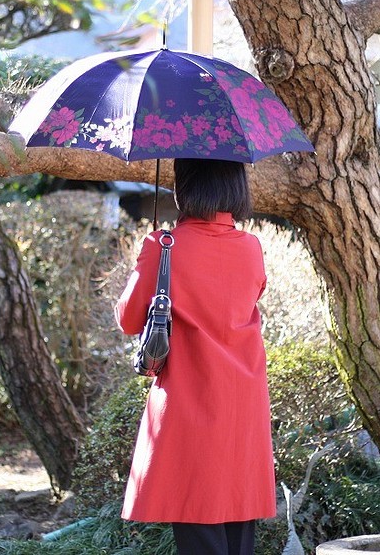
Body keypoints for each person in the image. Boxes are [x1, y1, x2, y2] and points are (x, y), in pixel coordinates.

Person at [115, 158, 276, 555]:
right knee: (240, 533)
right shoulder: (251, 249)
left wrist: (151, 254)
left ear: (184, 186)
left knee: (199, 536)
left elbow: (129, 319)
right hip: (243, 409)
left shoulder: (164, 246)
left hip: (190, 406)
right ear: (237, 186)